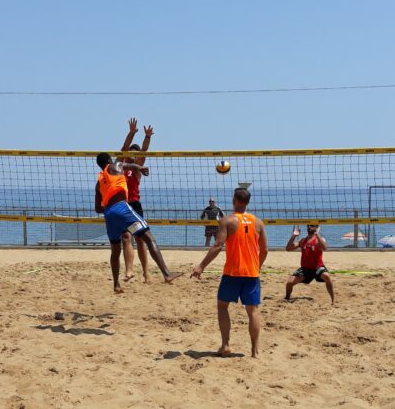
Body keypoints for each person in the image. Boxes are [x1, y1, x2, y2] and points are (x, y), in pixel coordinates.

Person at [191, 188, 268, 358]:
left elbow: (217, 246)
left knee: (222, 307)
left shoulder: (227, 221)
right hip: (251, 274)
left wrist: (201, 266)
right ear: (248, 202)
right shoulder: (258, 223)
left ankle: (225, 345)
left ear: (234, 200)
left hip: (232, 273)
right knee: (253, 311)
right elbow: (265, 250)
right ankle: (255, 351)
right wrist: (258, 266)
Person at [95, 152, 183, 293]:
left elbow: (98, 208)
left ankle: (116, 285)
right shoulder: (115, 166)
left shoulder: (99, 182)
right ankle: (167, 274)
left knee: (115, 250)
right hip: (121, 208)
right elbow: (128, 165)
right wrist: (140, 167)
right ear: (109, 160)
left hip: (109, 214)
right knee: (148, 237)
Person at [119, 117, 153, 283]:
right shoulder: (119, 165)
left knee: (140, 239)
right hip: (122, 204)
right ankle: (129, 270)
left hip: (134, 204)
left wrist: (147, 137)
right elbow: (124, 148)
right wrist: (131, 133)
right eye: (130, 152)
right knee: (126, 237)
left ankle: (146, 273)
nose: (132, 154)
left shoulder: (138, 166)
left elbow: (144, 152)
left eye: (135, 152)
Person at [284, 224, 334, 304]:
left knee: (326, 276)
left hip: (317, 267)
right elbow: (288, 248)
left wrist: (317, 234)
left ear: (317, 228)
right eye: (308, 225)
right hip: (305, 269)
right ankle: (286, 298)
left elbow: (324, 248)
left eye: (312, 226)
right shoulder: (303, 240)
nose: (309, 227)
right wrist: (294, 235)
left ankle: (333, 300)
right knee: (289, 282)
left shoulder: (319, 240)